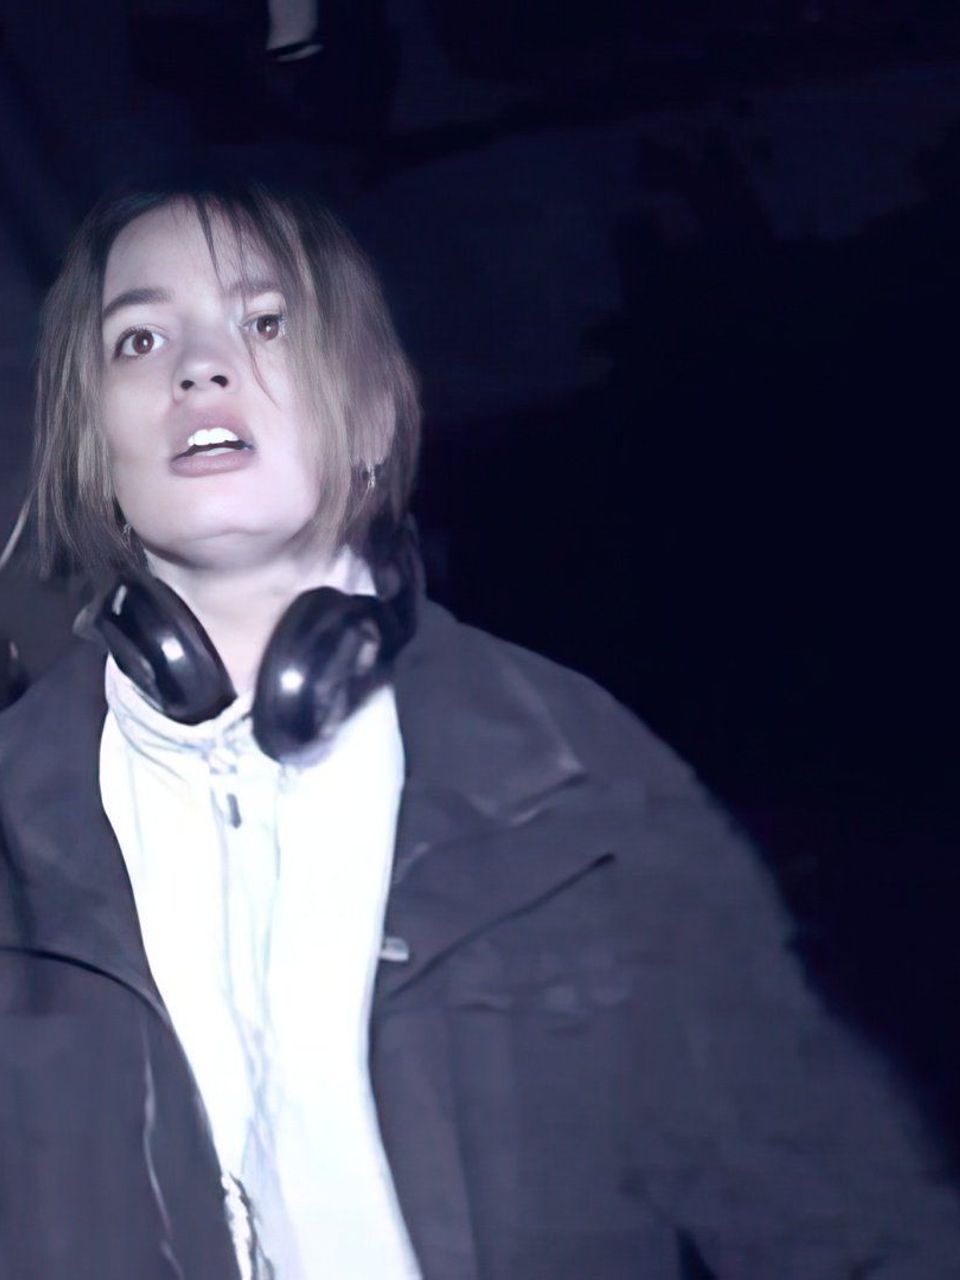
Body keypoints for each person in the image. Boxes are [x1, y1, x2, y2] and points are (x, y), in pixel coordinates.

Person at [0, 178, 958, 1280]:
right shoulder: (15, 817)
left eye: (265, 322)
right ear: (93, 444)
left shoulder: (569, 771)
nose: (198, 367)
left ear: (369, 413)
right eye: (139, 339)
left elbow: (848, 1224)